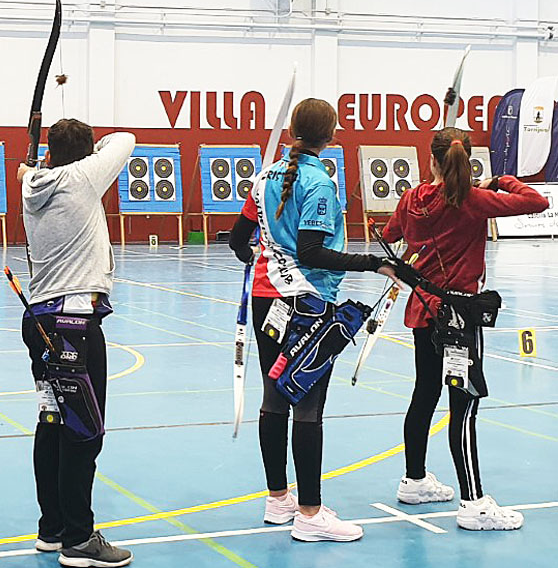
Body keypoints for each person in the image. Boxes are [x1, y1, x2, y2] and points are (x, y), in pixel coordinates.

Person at [228, 99, 396, 542]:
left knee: (273, 395)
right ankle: (309, 513)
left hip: (267, 299)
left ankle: (278, 499)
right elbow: (311, 252)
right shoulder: (318, 182)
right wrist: (373, 263)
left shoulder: (264, 176)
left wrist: (259, 257)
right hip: (307, 303)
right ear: (331, 135)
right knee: (307, 404)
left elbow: (238, 239)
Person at [383, 127, 547, 530]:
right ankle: (474, 504)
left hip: (423, 313)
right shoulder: (473, 200)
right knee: (464, 406)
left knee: (425, 393)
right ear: (466, 162)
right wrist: (496, 180)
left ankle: (415, 479)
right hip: (457, 317)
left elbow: (390, 237)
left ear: (432, 159)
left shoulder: (412, 199)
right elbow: (536, 200)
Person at [17, 119, 135, 568]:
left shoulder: (35, 183)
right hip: (74, 327)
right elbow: (125, 139)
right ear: (86, 155)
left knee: (52, 422)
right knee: (83, 433)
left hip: (42, 322)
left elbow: (49, 167)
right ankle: (80, 539)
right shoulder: (83, 176)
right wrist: (88, 155)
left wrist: (38, 165)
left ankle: (53, 528)